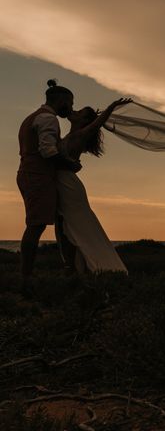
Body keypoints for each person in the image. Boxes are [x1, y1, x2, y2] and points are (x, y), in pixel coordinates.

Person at [55, 97, 132, 275]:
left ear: (84, 121)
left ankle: (102, 266)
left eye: (79, 112)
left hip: (69, 186)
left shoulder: (80, 135)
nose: (74, 111)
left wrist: (111, 107)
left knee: (80, 227)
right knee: (65, 228)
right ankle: (77, 268)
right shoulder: (67, 136)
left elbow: (96, 124)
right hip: (63, 183)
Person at [17, 80, 79, 297]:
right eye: (70, 103)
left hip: (31, 174)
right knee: (35, 225)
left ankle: (67, 268)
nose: (70, 108)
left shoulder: (33, 117)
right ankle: (26, 279)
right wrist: (70, 164)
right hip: (38, 177)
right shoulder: (48, 119)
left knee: (46, 223)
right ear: (60, 100)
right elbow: (48, 151)